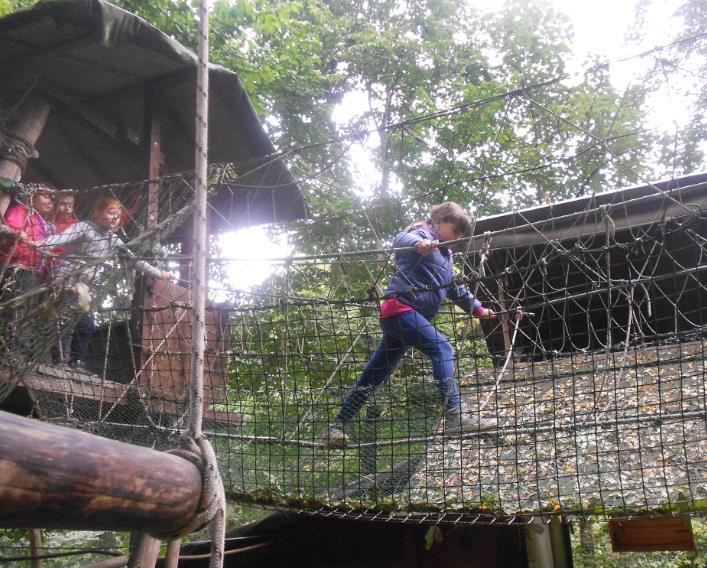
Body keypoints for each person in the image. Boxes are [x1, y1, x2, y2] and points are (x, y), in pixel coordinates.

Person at [322, 202, 496, 448]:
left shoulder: (446, 256)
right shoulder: (423, 233)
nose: (458, 238)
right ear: (439, 222)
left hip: (406, 320)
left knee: (374, 375)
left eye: (461, 235)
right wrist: (419, 245)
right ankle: (455, 416)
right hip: (400, 308)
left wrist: (479, 309)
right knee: (443, 348)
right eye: (455, 230)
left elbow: (454, 288)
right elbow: (401, 239)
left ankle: (336, 427)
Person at [40, 195, 173, 368]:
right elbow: (60, 238)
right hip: (65, 281)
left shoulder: (113, 240)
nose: (114, 218)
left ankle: (75, 361)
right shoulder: (84, 227)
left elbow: (133, 260)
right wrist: (40, 244)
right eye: (111, 213)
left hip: (82, 288)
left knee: (86, 325)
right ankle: (58, 360)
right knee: (62, 322)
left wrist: (159, 273)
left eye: (118, 216)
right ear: (98, 212)